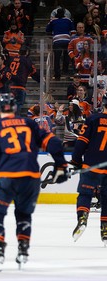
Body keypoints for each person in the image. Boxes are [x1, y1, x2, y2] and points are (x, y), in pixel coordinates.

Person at [0, 93, 68, 269]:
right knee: (23, 214)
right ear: (14, 107)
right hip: (30, 177)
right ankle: (23, 250)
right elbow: (54, 143)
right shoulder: (29, 124)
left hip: (6, 176)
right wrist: (61, 166)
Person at [71, 94, 107, 245]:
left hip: (91, 164)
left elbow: (82, 141)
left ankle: (83, 217)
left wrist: (75, 160)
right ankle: (105, 230)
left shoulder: (93, 119)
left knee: (85, 193)